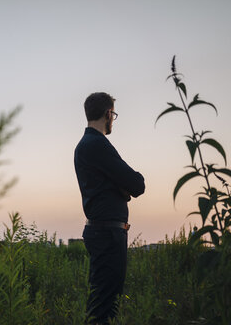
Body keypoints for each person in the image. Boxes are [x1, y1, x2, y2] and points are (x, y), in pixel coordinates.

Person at [74, 92, 145, 324]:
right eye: (113, 114)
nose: (113, 119)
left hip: (103, 231)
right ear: (107, 113)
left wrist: (121, 187)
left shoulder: (86, 146)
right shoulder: (97, 144)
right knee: (104, 307)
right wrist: (123, 188)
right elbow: (136, 185)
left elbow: (126, 187)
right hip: (107, 234)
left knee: (102, 302)